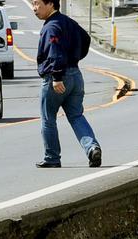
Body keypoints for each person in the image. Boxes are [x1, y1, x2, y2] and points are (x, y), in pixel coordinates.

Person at [32, 0, 102, 168]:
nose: (34, 8)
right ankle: (92, 148)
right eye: (33, 4)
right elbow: (85, 39)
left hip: (57, 78)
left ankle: (52, 158)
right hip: (76, 75)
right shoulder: (68, 22)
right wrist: (74, 58)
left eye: (37, 3)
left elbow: (54, 53)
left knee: (48, 119)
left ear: (50, 4)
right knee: (76, 115)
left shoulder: (51, 27)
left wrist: (56, 77)